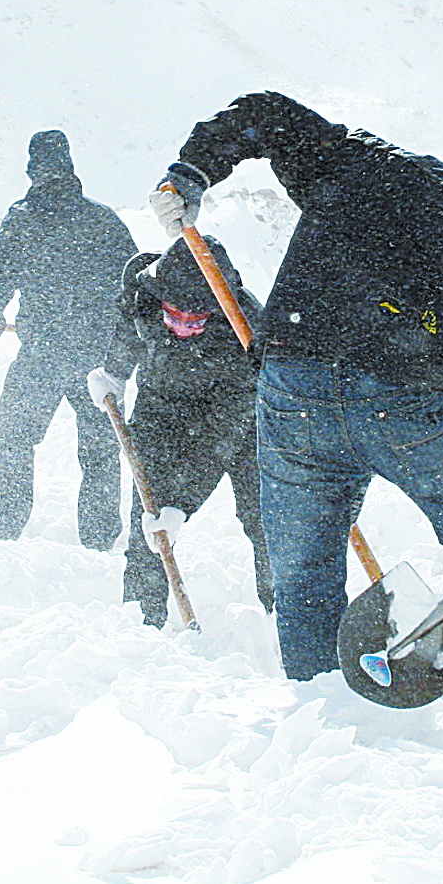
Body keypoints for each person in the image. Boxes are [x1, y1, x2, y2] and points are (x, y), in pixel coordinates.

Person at [152, 93, 443, 685]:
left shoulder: (362, 163)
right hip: (402, 397)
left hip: (293, 380)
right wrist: (400, 408)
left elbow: (269, 113)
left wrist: (191, 171)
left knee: (303, 564)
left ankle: (318, 694)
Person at [86, 233, 274, 628]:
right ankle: (141, 620)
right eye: (174, 317)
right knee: (149, 519)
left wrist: (182, 503)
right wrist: (114, 373)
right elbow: (129, 329)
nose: (183, 329)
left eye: (196, 321)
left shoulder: (245, 332)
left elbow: (218, 439)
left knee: (266, 520)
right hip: (161, 407)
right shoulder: (145, 296)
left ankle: (285, 616)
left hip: (236, 421)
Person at [0, 130, 138, 548]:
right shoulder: (103, 220)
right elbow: (134, 282)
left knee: (13, 436)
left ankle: (2, 524)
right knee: (101, 447)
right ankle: (99, 537)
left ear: (32, 168)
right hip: (95, 358)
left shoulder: (23, 218)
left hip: (42, 351)